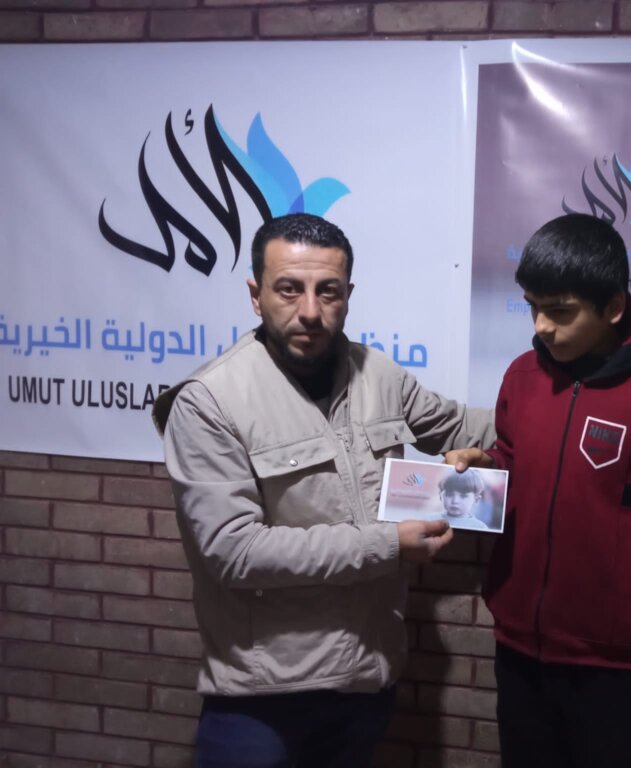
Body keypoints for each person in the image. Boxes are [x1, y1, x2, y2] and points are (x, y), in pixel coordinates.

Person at [152, 213, 494, 768]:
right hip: (262, 700)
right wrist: (389, 544)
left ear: (348, 296)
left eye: (327, 291)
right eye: (289, 289)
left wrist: (557, 404)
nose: (310, 310)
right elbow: (233, 551)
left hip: (366, 683)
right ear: (256, 296)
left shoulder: (378, 374)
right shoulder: (209, 401)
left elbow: (466, 428)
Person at [447, 213, 631, 768]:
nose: (541, 326)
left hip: (621, 664)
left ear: (612, 306)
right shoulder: (521, 378)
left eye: (560, 311)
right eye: (532, 307)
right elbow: (517, 460)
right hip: (520, 650)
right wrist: (487, 466)